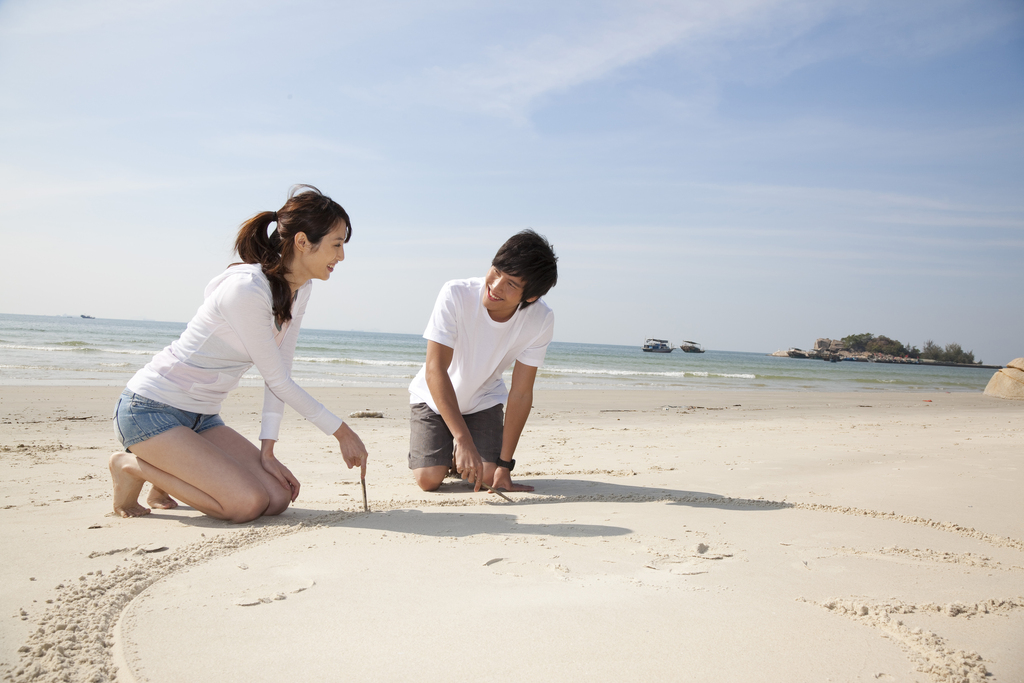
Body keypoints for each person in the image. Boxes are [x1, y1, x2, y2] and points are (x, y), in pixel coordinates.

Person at [109, 185, 368, 522]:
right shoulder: (246, 290)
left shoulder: (300, 290)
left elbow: (280, 377)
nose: (341, 256)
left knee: (276, 498)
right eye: (337, 244)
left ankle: (171, 475)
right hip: (151, 411)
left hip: (202, 418)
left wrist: (268, 451)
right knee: (244, 504)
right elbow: (277, 379)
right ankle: (130, 465)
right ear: (303, 242)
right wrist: (342, 432)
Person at [408, 229, 557, 493]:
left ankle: (462, 454)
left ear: (530, 297)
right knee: (429, 479)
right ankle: (453, 450)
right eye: (497, 271)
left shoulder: (540, 319)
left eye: (511, 284)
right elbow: (435, 370)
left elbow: (521, 393)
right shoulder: (456, 294)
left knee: (488, 478)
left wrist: (504, 466)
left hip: (483, 401)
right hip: (433, 399)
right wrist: (463, 439)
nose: (496, 286)